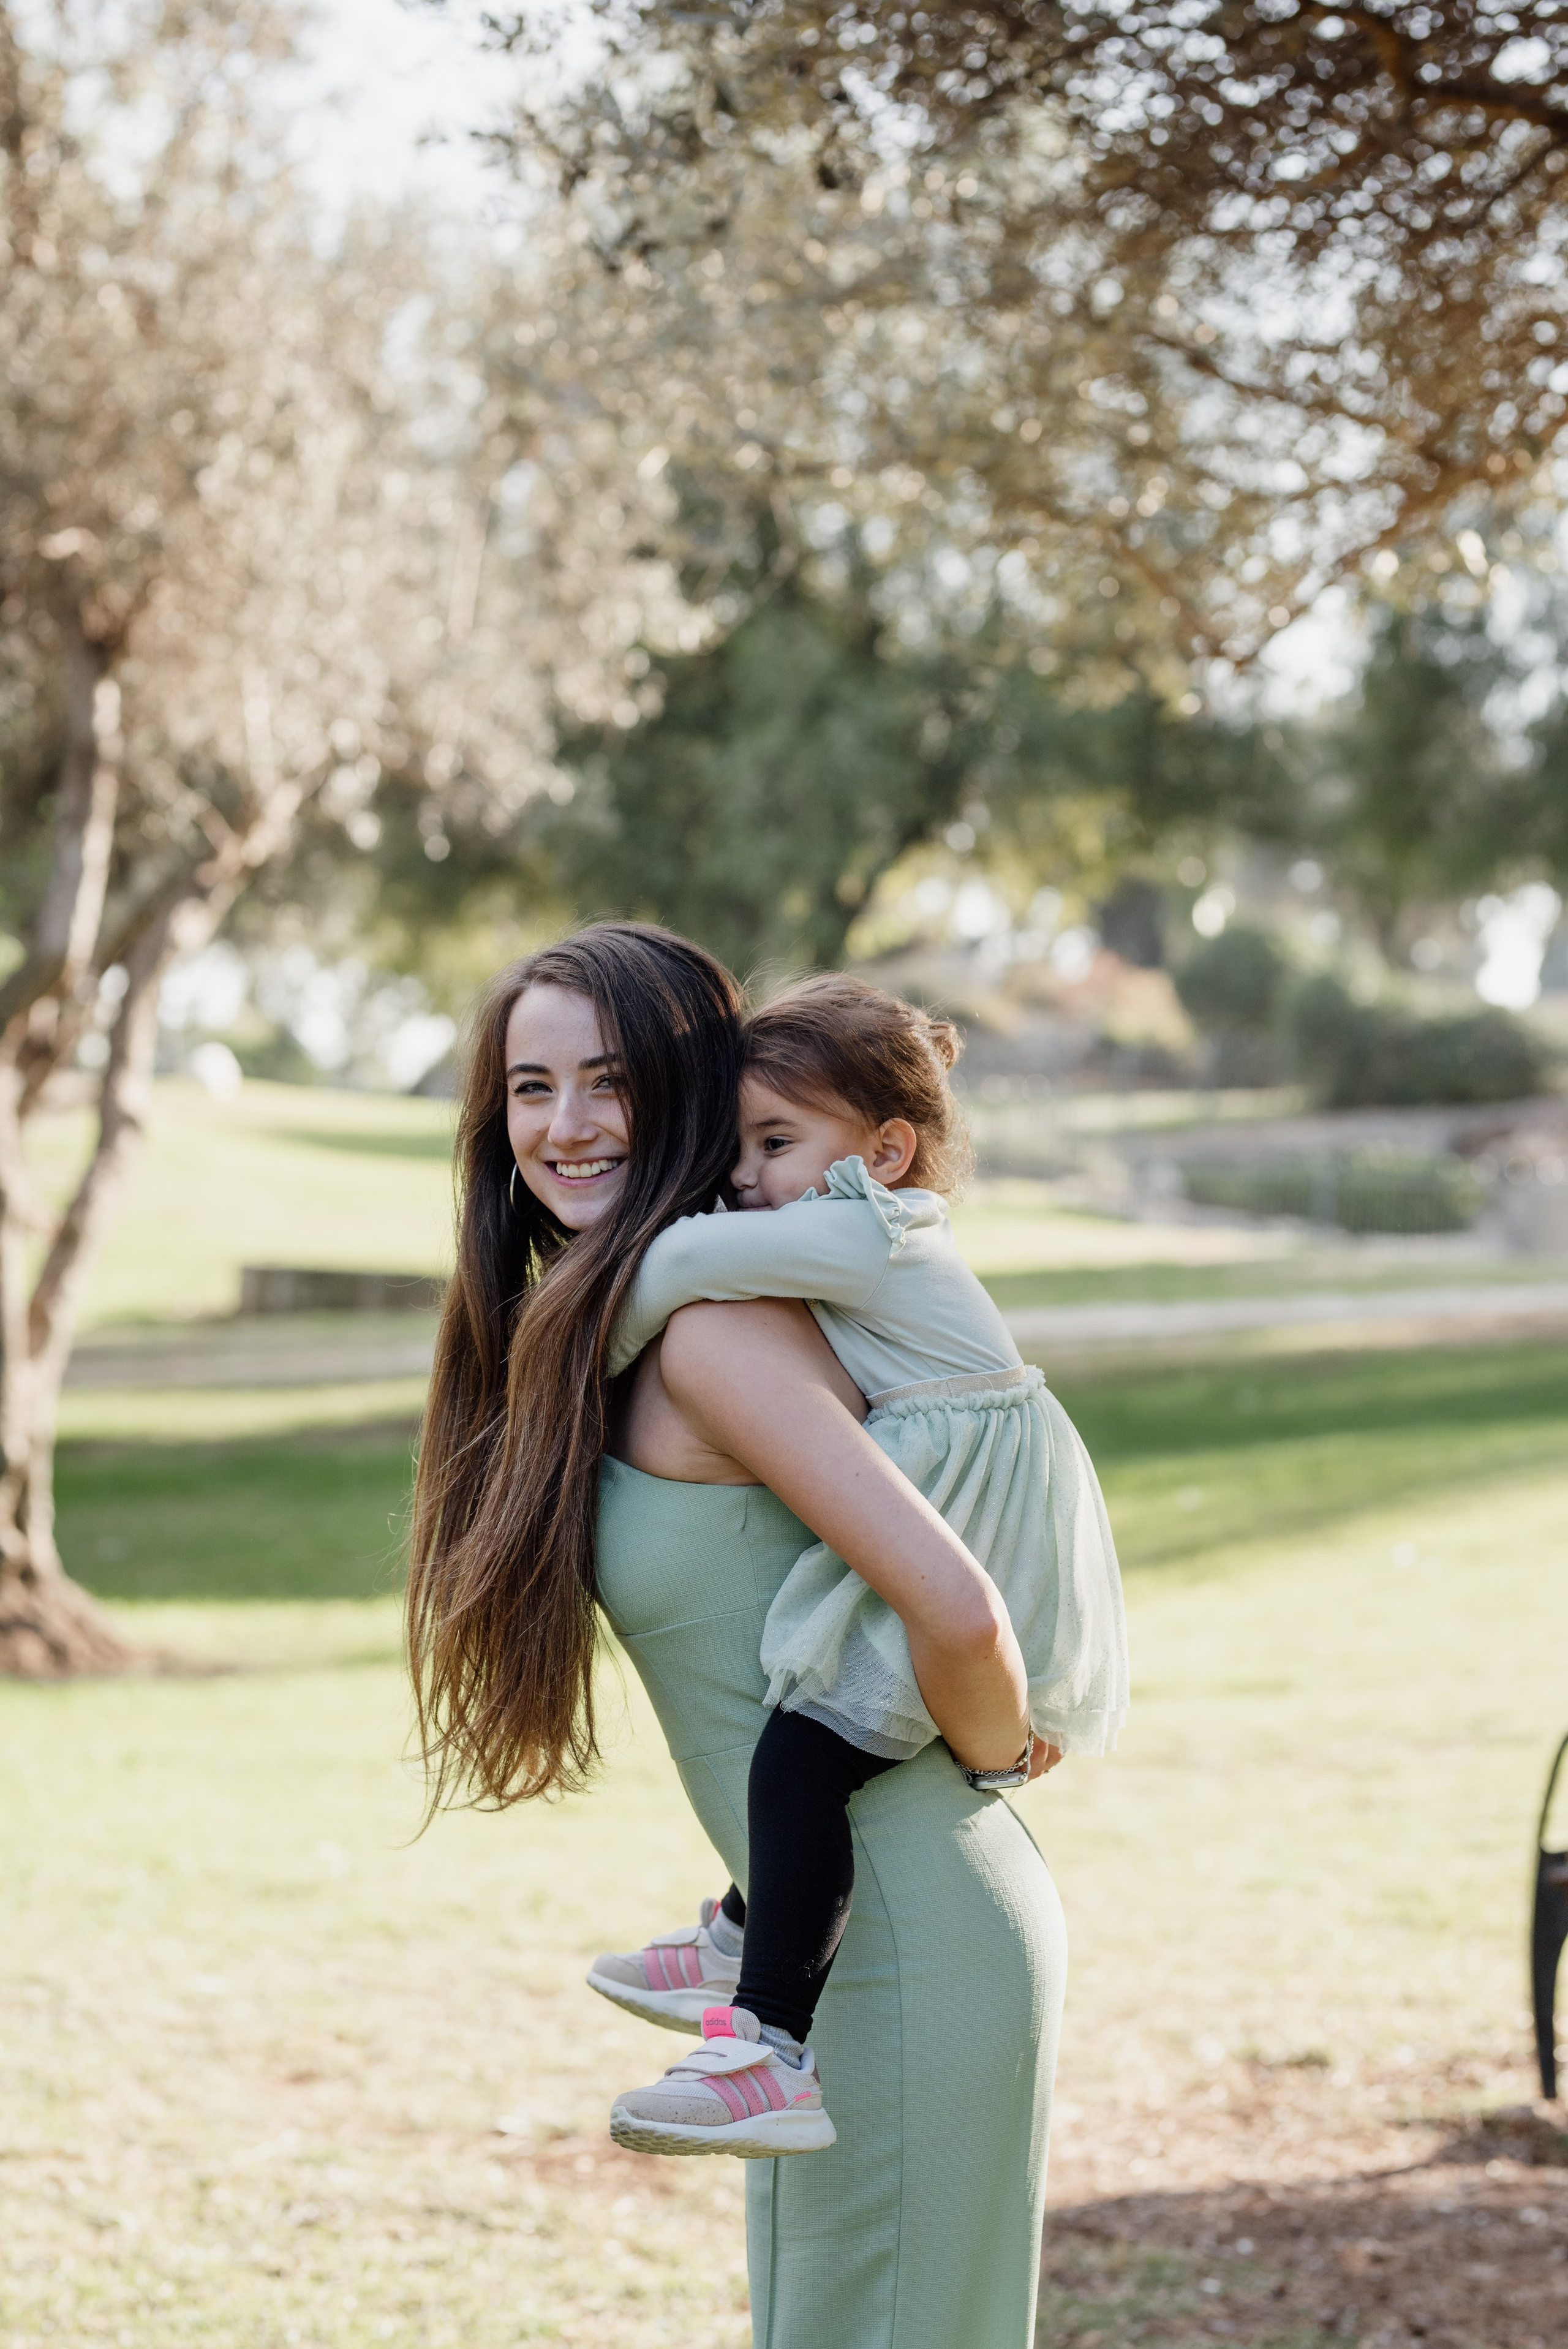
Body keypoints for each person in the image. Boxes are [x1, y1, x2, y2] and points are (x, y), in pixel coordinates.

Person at [407, 922, 1068, 2349]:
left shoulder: (713, 1335)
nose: (564, 1124)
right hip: (826, 1951)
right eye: (531, 1086)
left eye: (608, 1081)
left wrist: (1004, 1756)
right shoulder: (634, 1329)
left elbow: (955, 1606)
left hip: (905, 1940)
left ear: (689, 1097)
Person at [590, 975, 1126, 2155]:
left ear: (888, 1149)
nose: (744, 1175)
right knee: (819, 1737)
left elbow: (675, 1270)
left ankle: (768, 2042)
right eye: (737, 1146)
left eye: (776, 1141)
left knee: (800, 1758)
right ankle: (748, 1923)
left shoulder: (863, 1227)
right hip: (952, 1477)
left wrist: (571, 1350)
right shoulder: (845, 1227)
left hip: (969, 1494)